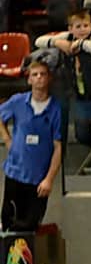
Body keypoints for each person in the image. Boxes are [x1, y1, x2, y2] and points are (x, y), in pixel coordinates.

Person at [36, 8, 91, 173]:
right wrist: (57, 42)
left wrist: (81, 44)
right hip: (80, 96)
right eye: (78, 26)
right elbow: (39, 41)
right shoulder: (67, 37)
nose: (82, 29)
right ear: (70, 28)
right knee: (81, 134)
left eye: (86, 25)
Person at [0, 59, 62, 231]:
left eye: (43, 74)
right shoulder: (17, 102)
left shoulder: (56, 109)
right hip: (15, 174)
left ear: (49, 78)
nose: (39, 77)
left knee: (30, 228)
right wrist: (7, 140)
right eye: (35, 74)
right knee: (8, 225)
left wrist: (49, 179)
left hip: (38, 180)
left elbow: (58, 147)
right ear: (29, 80)